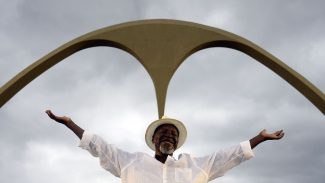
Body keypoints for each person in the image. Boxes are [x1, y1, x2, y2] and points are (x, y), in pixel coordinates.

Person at [45, 109, 284, 183]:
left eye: (173, 134)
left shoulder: (194, 167)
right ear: (154, 140)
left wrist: (259, 138)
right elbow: (100, 147)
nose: (169, 136)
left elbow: (228, 156)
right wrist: (70, 123)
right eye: (164, 133)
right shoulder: (131, 162)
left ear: (177, 142)